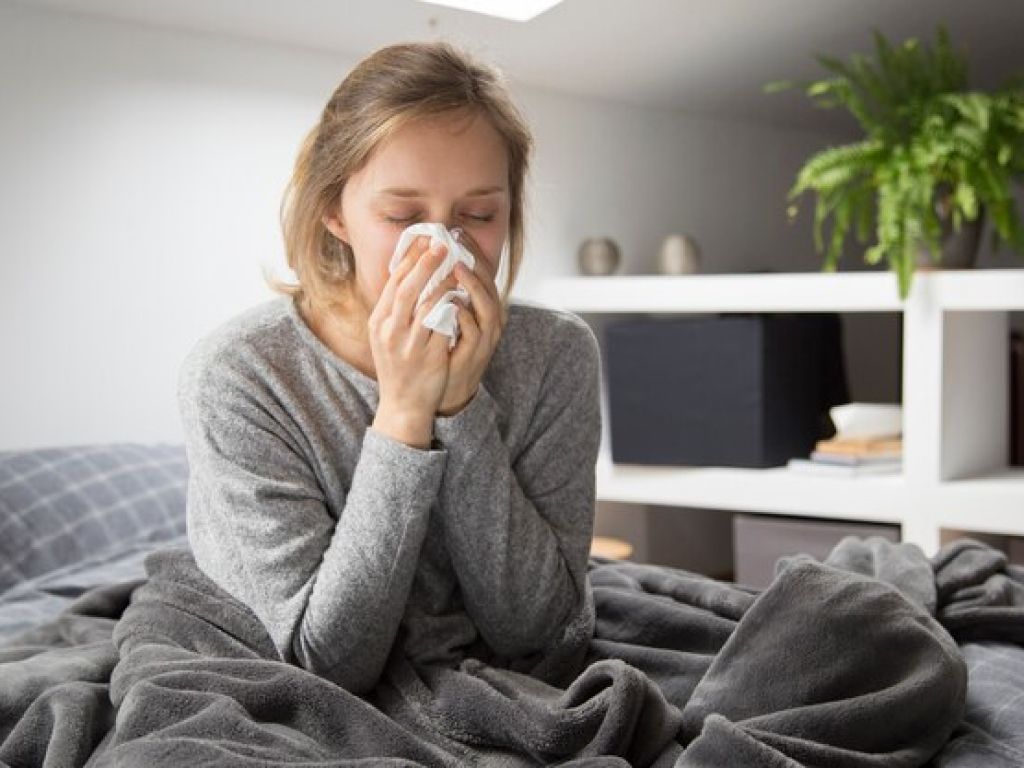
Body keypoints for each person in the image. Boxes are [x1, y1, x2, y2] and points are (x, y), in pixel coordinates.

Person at [177, 40, 602, 698]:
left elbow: (539, 633)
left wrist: (462, 410)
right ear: (332, 210)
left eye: (479, 215)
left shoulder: (555, 353)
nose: (445, 246)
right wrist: (405, 414)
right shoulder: (240, 376)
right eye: (402, 216)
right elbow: (328, 662)